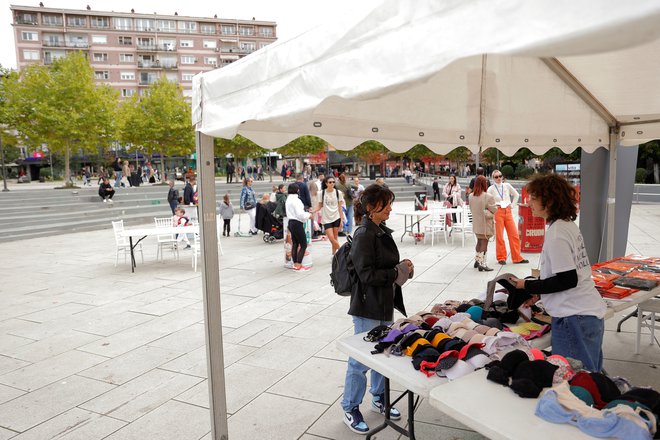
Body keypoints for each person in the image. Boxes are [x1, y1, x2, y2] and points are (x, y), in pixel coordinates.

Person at [509, 174, 606, 372]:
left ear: (550, 201)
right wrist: (538, 293)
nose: (529, 202)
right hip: (584, 314)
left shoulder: (557, 233)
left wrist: (526, 285)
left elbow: (567, 279)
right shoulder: (566, 226)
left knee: (574, 381)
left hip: (574, 317)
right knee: (588, 377)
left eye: (534, 198)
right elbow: (567, 274)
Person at [341, 184, 414, 434]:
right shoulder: (364, 234)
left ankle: (379, 397)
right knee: (360, 360)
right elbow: (366, 274)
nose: (391, 209)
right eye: (386, 204)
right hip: (367, 306)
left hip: (383, 302)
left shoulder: (379, 229)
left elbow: (383, 265)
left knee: (382, 354)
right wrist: (395, 272)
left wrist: (402, 267)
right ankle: (349, 407)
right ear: (371, 208)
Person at [487, 170, 529, 265]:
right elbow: (487, 200)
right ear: (493, 178)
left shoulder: (507, 185)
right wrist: (494, 208)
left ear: (502, 176)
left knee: (514, 234)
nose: (498, 178)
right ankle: (501, 257)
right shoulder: (491, 188)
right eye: (496, 177)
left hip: (508, 211)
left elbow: (516, 195)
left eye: (500, 176)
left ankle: (517, 257)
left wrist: (513, 205)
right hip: (498, 212)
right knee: (500, 236)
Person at [469, 176, 497, 271]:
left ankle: (477, 260)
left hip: (476, 223)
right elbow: (494, 209)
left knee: (479, 242)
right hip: (485, 224)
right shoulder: (488, 196)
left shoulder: (471, 195)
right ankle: (483, 263)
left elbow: (471, 208)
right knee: (484, 243)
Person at [285, 183, 312, 272]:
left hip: (291, 222)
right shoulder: (296, 200)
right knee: (303, 244)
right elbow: (300, 214)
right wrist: (309, 215)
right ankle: (298, 265)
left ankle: (295, 264)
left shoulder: (288, 199)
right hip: (297, 223)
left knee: (295, 244)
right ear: (297, 190)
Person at [317, 176, 345, 254]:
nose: (332, 183)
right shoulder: (321, 193)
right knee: (331, 238)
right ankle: (343, 253)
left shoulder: (338, 192)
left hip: (336, 217)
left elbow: (340, 208)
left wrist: (341, 220)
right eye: (330, 182)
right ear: (326, 183)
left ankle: (334, 255)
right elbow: (319, 205)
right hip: (326, 219)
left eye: (333, 182)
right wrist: (313, 211)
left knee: (335, 238)